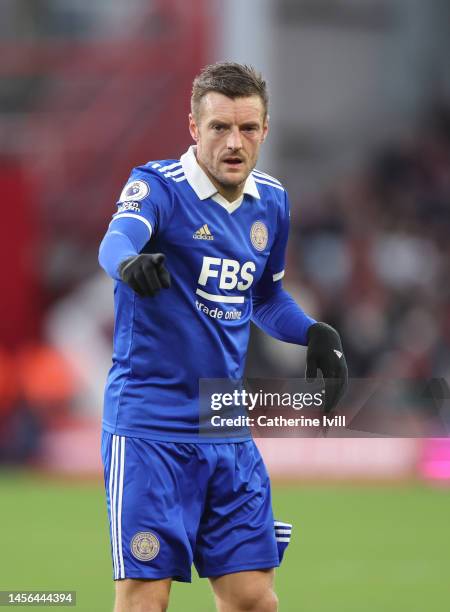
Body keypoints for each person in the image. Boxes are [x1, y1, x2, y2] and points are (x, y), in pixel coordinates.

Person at [98, 62, 348, 612]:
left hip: (226, 430)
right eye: (219, 128)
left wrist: (313, 332)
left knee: (253, 599)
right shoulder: (157, 186)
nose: (234, 142)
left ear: (265, 130)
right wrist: (128, 266)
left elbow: (264, 297)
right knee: (145, 601)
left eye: (248, 128)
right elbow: (115, 242)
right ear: (194, 127)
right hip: (150, 431)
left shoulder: (272, 202)